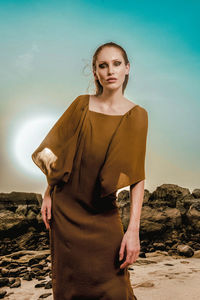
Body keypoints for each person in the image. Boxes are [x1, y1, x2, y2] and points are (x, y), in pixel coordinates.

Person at [31, 41, 148, 300]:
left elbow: (137, 176)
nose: (110, 71)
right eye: (102, 66)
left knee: (116, 290)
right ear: (95, 72)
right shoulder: (81, 105)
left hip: (104, 214)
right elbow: (53, 152)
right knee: (70, 289)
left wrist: (133, 230)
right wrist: (48, 192)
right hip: (66, 213)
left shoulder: (137, 115)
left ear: (127, 68)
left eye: (116, 64)